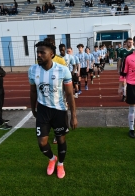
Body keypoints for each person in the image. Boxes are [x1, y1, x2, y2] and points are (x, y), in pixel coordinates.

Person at [29, 41, 77, 179]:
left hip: (59, 111)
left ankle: (60, 164)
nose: (38, 55)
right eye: (37, 52)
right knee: (42, 142)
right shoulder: (33, 70)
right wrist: (33, 109)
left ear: (51, 54)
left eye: (42, 52)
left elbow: (69, 94)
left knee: (61, 140)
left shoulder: (63, 70)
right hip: (43, 110)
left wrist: (73, 115)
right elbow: (32, 92)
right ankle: (52, 159)